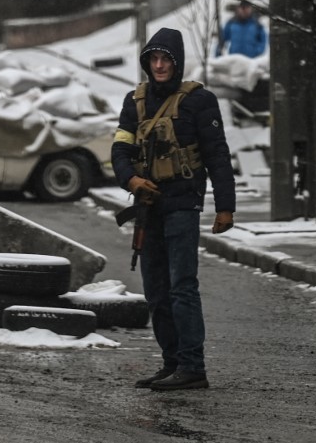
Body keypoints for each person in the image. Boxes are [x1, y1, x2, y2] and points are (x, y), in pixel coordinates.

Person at [111, 27, 236, 391]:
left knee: (182, 287)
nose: (160, 65)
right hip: (148, 207)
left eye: (167, 59)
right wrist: (131, 181)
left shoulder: (200, 101)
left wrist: (225, 207)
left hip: (183, 203)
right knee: (156, 292)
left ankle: (192, 366)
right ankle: (171, 363)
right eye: (155, 59)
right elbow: (120, 150)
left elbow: (217, 156)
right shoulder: (134, 102)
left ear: (177, 62)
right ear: (147, 62)